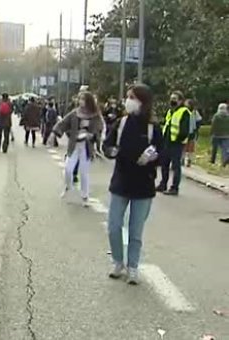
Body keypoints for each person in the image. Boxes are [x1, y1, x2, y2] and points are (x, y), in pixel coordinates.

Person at [103, 84, 163, 285]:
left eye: (132, 97)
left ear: (142, 102)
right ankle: (118, 262)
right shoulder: (121, 124)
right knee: (113, 226)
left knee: (135, 231)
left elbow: (162, 154)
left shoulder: (153, 128)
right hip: (121, 182)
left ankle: (133, 267)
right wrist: (112, 152)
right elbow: (107, 145)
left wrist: (152, 157)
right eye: (127, 96)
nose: (127, 101)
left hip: (144, 186)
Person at [52, 91, 104, 205]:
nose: (80, 101)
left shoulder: (95, 115)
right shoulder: (74, 113)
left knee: (84, 172)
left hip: (86, 146)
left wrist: (93, 135)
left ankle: (85, 196)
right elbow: (63, 123)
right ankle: (68, 187)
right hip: (74, 145)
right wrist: (55, 133)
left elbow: (100, 128)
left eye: (83, 99)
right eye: (80, 99)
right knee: (68, 169)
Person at [157, 91, 191, 196]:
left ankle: (174, 187)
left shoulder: (184, 111)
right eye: (171, 98)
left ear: (181, 100)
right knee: (164, 164)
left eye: (175, 98)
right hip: (167, 141)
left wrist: (179, 139)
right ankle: (163, 184)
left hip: (176, 143)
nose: (172, 100)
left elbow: (184, 129)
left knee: (176, 166)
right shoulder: (170, 111)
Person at [183, 99, 203, 167]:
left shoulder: (194, 112)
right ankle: (182, 159)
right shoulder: (183, 111)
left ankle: (189, 160)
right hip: (184, 131)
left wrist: (196, 129)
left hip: (192, 131)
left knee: (191, 147)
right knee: (184, 146)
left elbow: (199, 120)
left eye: (187, 104)